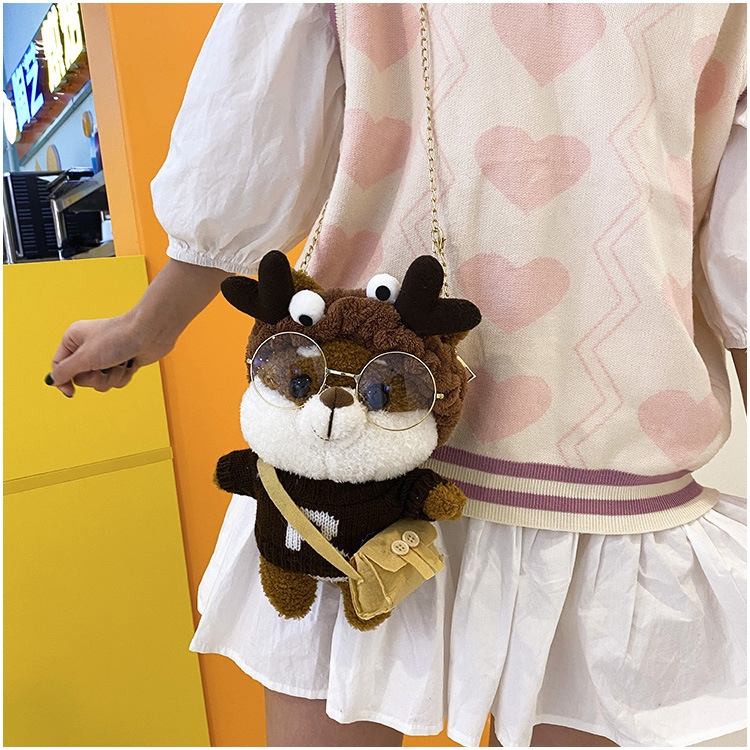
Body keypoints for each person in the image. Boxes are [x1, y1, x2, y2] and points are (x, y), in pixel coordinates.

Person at [49, 4, 747, 747]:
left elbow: (255, 128)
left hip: (436, 442)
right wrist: (147, 324)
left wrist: (151, 322)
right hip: (546, 426)